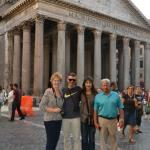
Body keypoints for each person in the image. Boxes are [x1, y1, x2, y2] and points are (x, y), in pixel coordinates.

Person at [94, 79, 124, 150]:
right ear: (101, 86)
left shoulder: (116, 95)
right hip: (102, 120)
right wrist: (95, 122)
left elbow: (121, 108)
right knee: (102, 140)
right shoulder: (98, 96)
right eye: (104, 85)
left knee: (113, 139)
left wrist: (121, 119)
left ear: (110, 86)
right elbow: (95, 111)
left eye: (107, 85)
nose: (105, 87)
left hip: (113, 120)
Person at [39, 72, 63, 150]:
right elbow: (41, 106)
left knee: (55, 141)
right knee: (50, 141)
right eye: (55, 80)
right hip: (50, 120)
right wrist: (53, 110)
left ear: (60, 82)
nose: (56, 82)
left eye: (58, 80)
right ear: (51, 81)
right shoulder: (48, 91)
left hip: (58, 120)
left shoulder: (61, 92)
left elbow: (61, 105)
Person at [62, 72, 82, 150]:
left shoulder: (79, 89)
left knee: (76, 138)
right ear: (67, 80)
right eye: (70, 79)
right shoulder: (63, 90)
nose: (72, 81)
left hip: (76, 117)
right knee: (66, 138)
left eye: (73, 80)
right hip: (65, 117)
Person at [80, 76, 97, 150]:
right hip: (83, 119)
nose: (88, 84)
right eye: (87, 83)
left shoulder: (96, 94)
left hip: (92, 120)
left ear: (92, 84)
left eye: (90, 83)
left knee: (92, 139)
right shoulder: (81, 93)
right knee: (84, 139)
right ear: (84, 84)